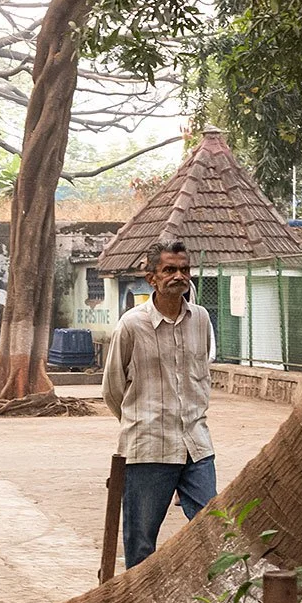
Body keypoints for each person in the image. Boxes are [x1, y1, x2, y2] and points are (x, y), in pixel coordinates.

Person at [102, 240, 215, 568]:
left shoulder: (201, 319)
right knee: (140, 544)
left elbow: (203, 375)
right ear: (151, 277)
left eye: (184, 269)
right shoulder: (131, 325)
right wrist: (140, 421)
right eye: (169, 270)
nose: (179, 276)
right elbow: (112, 389)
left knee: (214, 529)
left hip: (197, 446)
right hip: (149, 449)